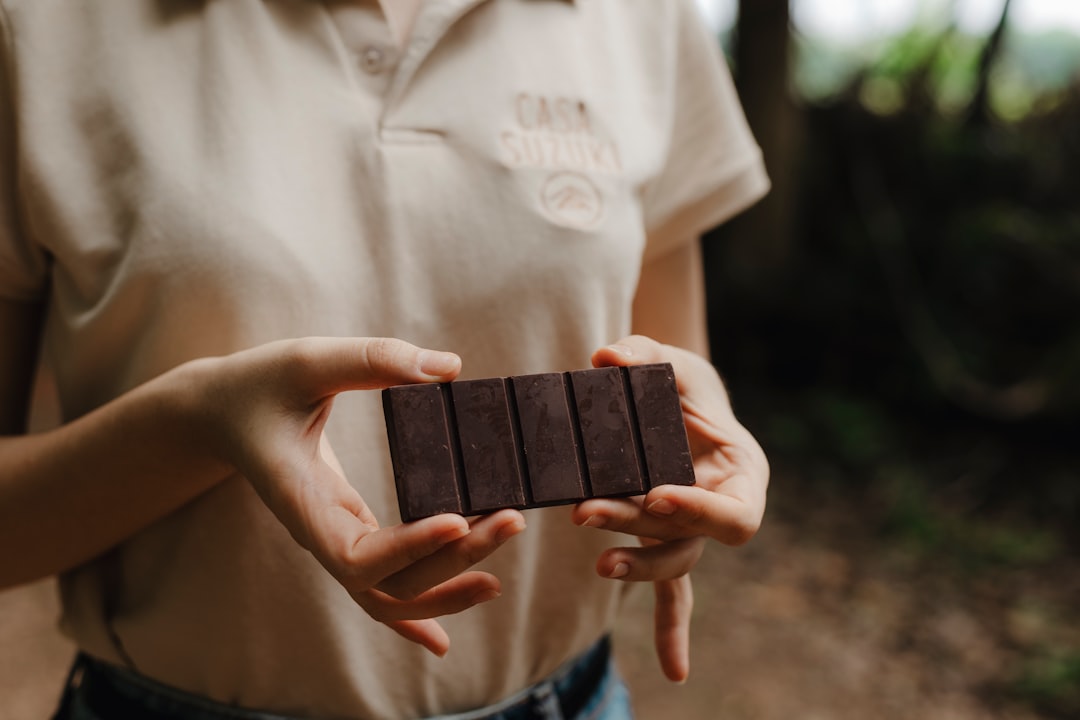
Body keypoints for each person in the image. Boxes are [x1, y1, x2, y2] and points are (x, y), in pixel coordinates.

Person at [0, 0, 771, 718]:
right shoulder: (38, 24)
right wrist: (195, 427)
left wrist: (688, 470)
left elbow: (673, 390)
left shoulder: (645, 16)